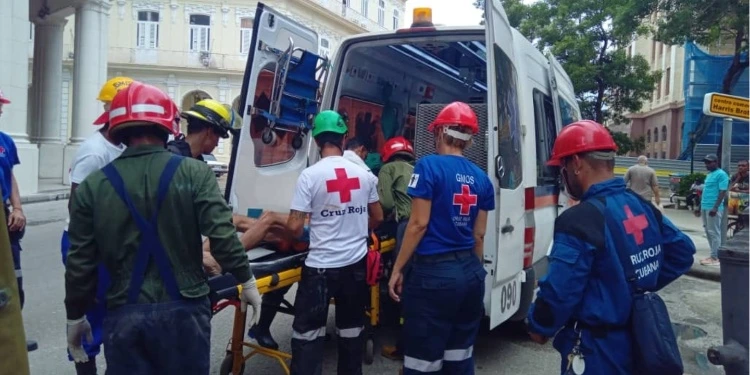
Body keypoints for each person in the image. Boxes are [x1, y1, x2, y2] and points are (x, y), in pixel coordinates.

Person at [64, 82, 262, 374]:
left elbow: (80, 263)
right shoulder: (195, 173)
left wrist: (75, 316)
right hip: (185, 313)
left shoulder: (94, 186)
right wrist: (246, 279)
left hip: (124, 315)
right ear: (166, 126)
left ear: (118, 127)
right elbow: (222, 236)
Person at [525, 120, 695, 374]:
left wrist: (538, 327)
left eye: (563, 167)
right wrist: (633, 290)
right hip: (641, 341)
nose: (563, 174)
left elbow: (560, 291)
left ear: (576, 163)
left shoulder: (578, 221)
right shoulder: (641, 205)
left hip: (598, 352)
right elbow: (683, 253)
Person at [271, 109, 383, 374]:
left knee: (308, 337)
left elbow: (296, 227)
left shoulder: (310, 176)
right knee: (351, 332)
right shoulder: (365, 176)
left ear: (317, 141)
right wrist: (353, 225)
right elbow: (377, 217)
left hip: (320, 269)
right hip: (355, 267)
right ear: (344, 139)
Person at [388, 102, 495, 374]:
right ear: (469, 140)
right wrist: (471, 274)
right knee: (459, 356)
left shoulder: (427, 167)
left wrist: (398, 269)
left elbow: (417, 225)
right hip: (470, 274)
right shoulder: (482, 179)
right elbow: (479, 235)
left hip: (434, 275)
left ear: (439, 133)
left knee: (423, 361)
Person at [60, 76, 133, 375]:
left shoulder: (125, 147)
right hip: (89, 246)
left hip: (112, 244)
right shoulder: (95, 152)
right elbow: (77, 209)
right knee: (90, 321)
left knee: (116, 318)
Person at [0, 88, 36, 353]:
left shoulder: (5, 142)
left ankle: (12, 335)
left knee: (13, 278)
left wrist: (18, 208)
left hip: (5, 214)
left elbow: (10, 175)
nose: (1, 110)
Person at [377, 136, 415, 361]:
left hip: (405, 226)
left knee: (400, 280)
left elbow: (388, 204)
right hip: (425, 226)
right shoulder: (416, 168)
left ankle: (403, 347)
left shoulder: (388, 169)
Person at [167, 98, 238, 161]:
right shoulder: (175, 159)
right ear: (209, 132)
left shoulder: (176, 154)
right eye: (218, 137)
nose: (216, 144)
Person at [697, 154, 730, 266]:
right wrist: (699, 207)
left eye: (709, 162)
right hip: (705, 206)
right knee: (707, 231)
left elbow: (722, 192)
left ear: (716, 162)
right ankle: (713, 254)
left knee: (714, 232)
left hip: (713, 207)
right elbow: (705, 191)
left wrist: (715, 207)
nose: (707, 164)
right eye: (706, 162)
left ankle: (715, 257)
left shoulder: (721, 175)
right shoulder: (710, 175)